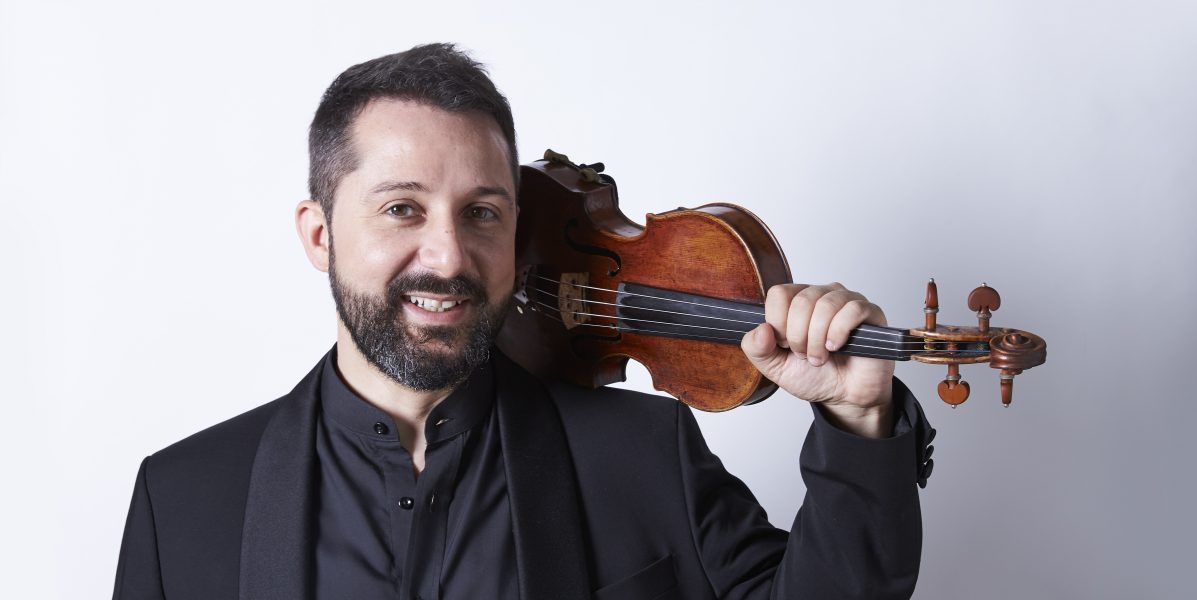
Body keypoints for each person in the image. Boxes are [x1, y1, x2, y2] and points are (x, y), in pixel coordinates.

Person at [113, 43, 935, 600]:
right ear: (320, 235)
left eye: (482, 213)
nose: (449, 256)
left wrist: (857, 417)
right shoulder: (180, 499)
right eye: (402, 208)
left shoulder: (645, 455)